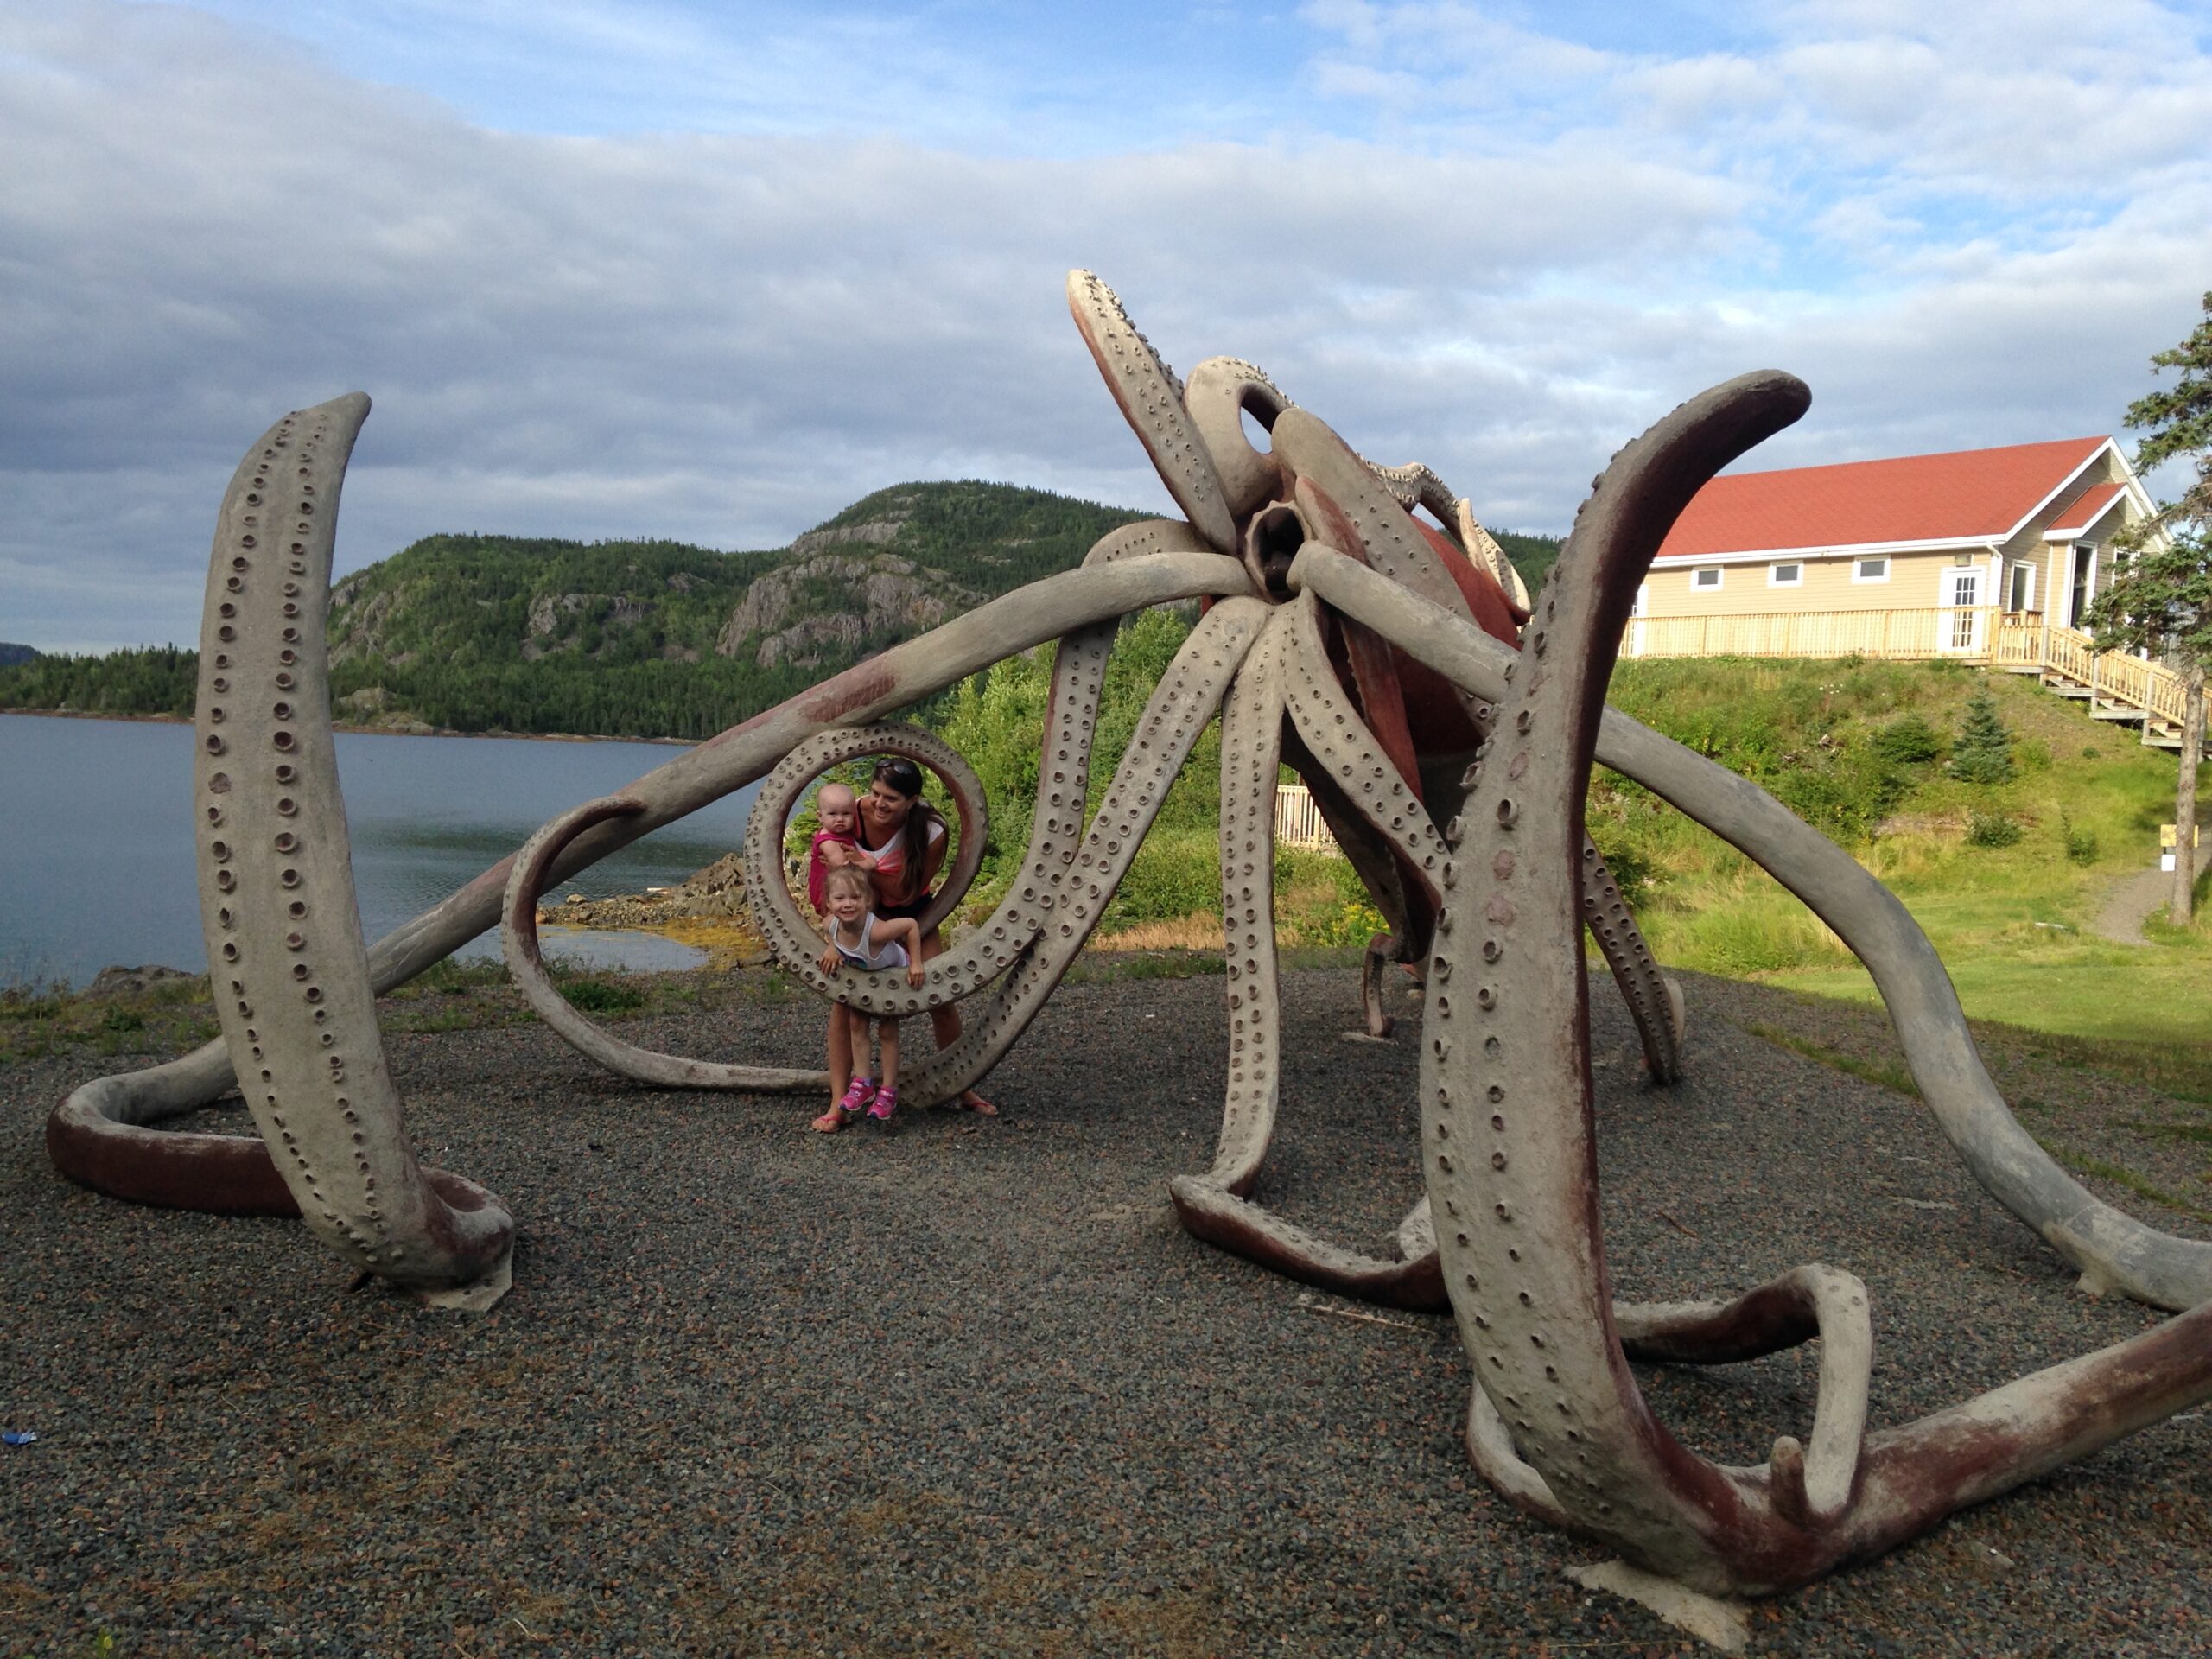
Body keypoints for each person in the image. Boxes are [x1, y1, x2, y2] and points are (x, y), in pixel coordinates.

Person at [818, 754, 998, 1115]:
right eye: (875, 793)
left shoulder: (932, 830)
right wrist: (833, 933)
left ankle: (963, 1089)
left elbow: (905, 891)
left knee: (939, 996)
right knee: (845, 1002)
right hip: (865, 918)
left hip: (916, 914)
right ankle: (837, 1104)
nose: (878, 803)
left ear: (912, 800)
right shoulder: (853, 814)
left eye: (891, 798)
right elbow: (829, 870)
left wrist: (865, 869)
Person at [811, 865, 925, 1133]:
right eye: (839, 899)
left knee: (887, 1031)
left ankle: (888, 1091)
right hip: (866, 979)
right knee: (856, 1026)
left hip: (893, 977)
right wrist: (831, 947)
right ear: (828, 903)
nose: (847, 904)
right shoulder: (831, 923)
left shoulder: (877, 931)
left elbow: (910, 925)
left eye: (855, 898)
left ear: (868, 901)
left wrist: (917, 964)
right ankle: (862, 1083)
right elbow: (828, 929)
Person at [805, 781, 868, 915]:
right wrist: (869, 864)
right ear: (820, 817)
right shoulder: (827, 841)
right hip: (828, 896)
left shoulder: (840, 832)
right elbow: (843, 867)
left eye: (846, 814)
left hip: (840, 890)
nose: (840, 819)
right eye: (833, 814)